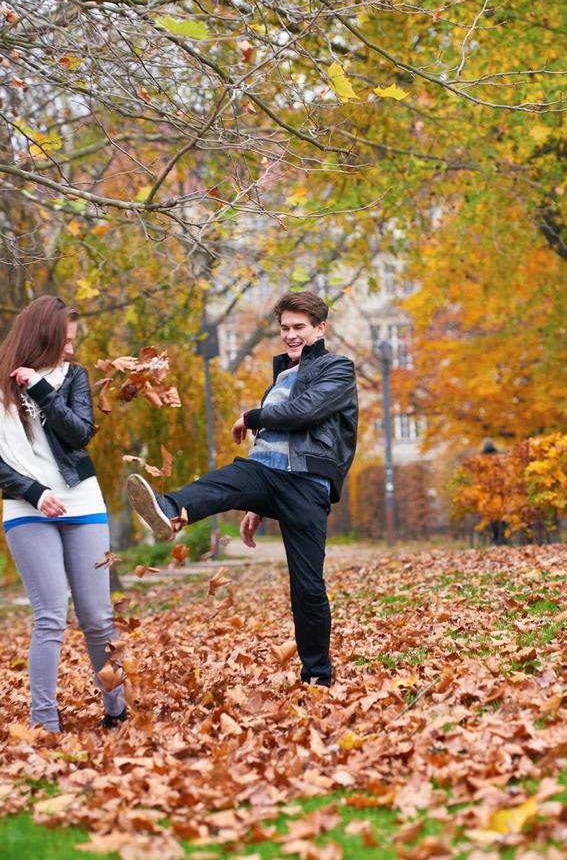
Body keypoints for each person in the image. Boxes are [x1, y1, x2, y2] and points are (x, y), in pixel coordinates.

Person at [127, 291, 358, 687]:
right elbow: (271, 441)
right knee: (226, 480)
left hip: (306, 481)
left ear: (320, 329)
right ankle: (169, 509)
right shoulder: (281, 376)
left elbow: (304, 414)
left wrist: (250, 416)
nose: (290, 335)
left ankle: (317, 676)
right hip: (267, 475)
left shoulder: (337, 368)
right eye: (284, 328)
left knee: (307, 586)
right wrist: (257, 505)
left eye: (299, 327)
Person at [0, 295, 126, 733]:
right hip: (25, 507)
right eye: (65, 340)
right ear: (43, 336)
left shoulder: (73, 376)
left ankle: (116, 709)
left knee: (96, 617)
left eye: (73, 341)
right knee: (51, 615)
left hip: (83, 503)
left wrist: (39, 386)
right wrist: (34, 492)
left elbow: (79, 436)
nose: (71, 349)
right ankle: (44, 723)